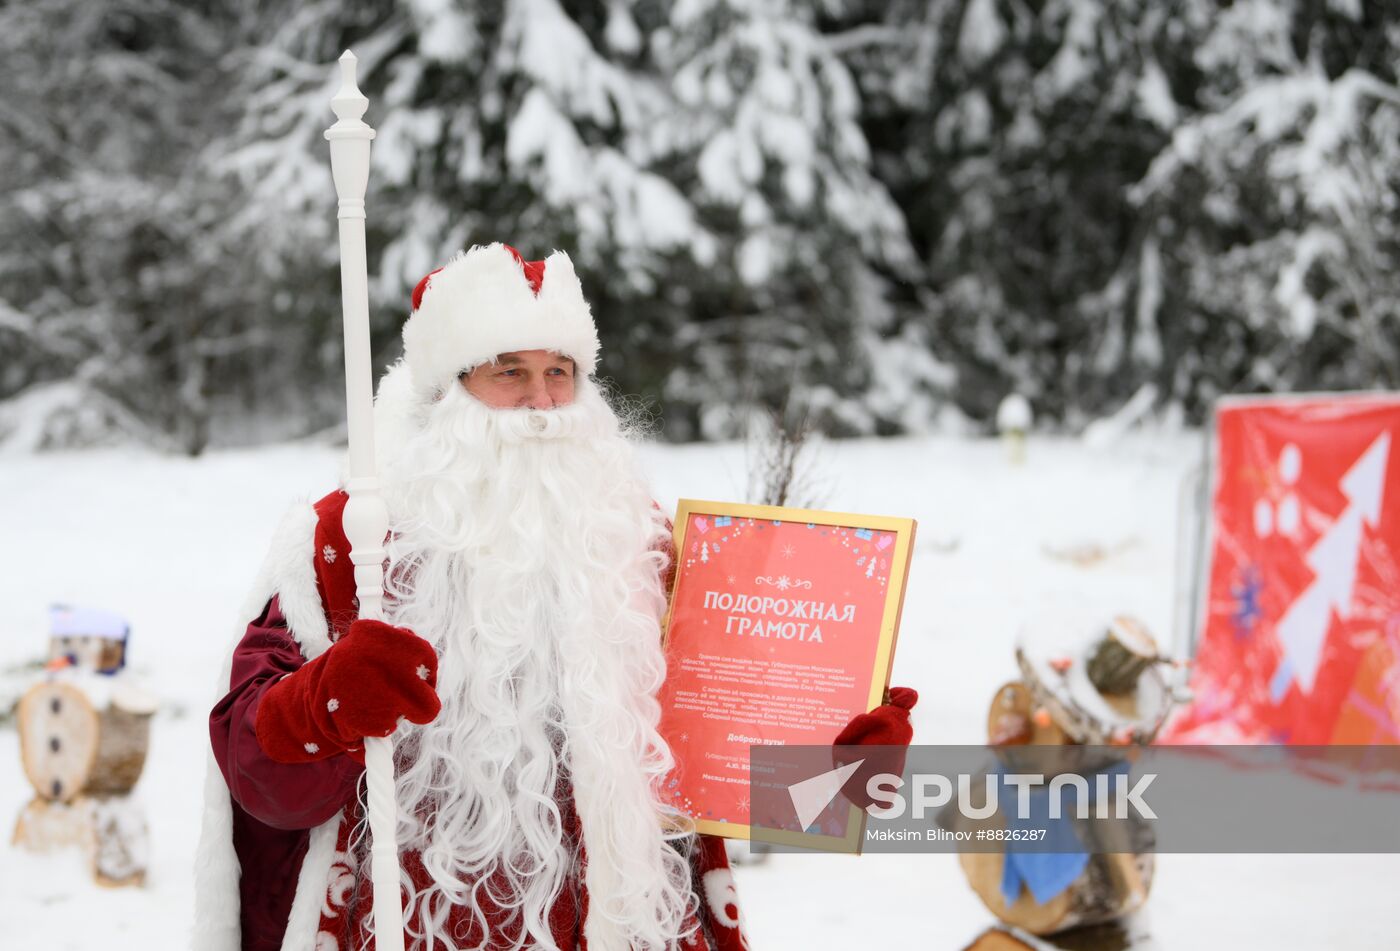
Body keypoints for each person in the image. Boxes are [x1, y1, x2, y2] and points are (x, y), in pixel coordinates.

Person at [193, 242, 918, 951]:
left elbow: (709, 764)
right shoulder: (349, 545)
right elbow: (254, 768)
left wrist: (834, 764)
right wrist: (324, 702)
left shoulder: (636, 542)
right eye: (510, 370)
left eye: (559, 371)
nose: (542, 402)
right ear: (449, 393)